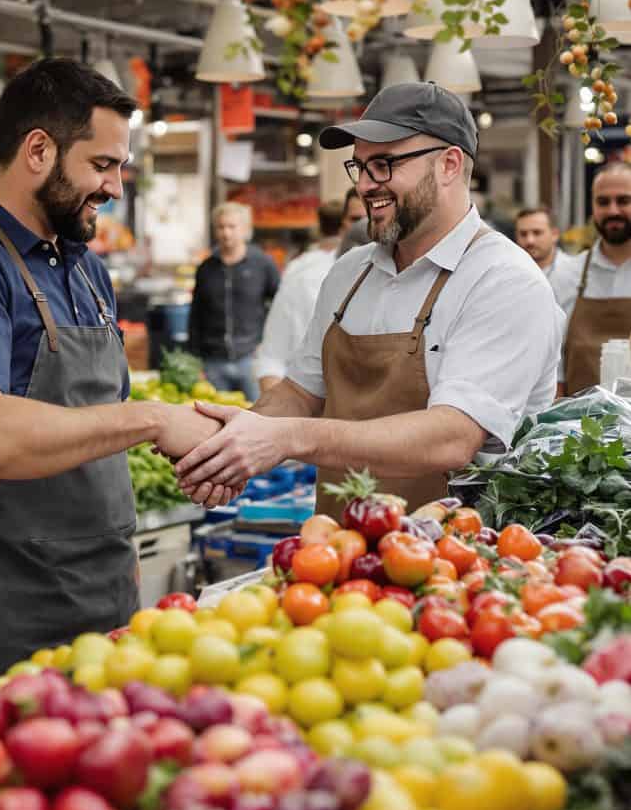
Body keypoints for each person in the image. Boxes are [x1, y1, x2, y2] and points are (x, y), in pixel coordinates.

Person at [0, 58, 225, 675]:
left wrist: (196, 455)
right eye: (102, 165)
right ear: (39, 150)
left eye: (120, 167)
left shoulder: (87, 269)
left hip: (107, 584)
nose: (116, 188)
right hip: (11, 595)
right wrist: (154, 420)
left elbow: (96, 426)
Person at [172, 82, 564, 519]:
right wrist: (228, 441)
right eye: (359, 167)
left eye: (383, 165)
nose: (364, 185)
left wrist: (287, 438)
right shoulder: (351, 272)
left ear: (449, 165)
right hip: (337, 546)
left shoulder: (502, 280)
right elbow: (301, 392)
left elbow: (452, 437)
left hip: (457, 552)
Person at [188, 201, 280, 403]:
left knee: (258, 414)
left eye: (232, 226)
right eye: (221, 227)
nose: (226, 233)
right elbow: (196, 314)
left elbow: (280, 306)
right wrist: (195, 359)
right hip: (213, 362)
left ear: (245, 229)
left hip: (251, 359)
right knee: (214, 417)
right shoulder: (206, 268)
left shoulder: (263, 264)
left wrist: (268, 343)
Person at [256, 199, 347, 392]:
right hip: (306, 394)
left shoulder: (298, 267)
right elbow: (273, 355)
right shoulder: (302, 274)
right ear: (344, 226)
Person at [560, 161, 631, 395]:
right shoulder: (567, 275)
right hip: (578, 417)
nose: (613, 211)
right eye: (603, 202)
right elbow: (552, 363)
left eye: (624, 200)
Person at [515, 205, 580, 311]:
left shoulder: (576, 273)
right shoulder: (511, 274)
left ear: (555, 234)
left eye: (537, 233)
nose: (530, 240)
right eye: (523, 234)